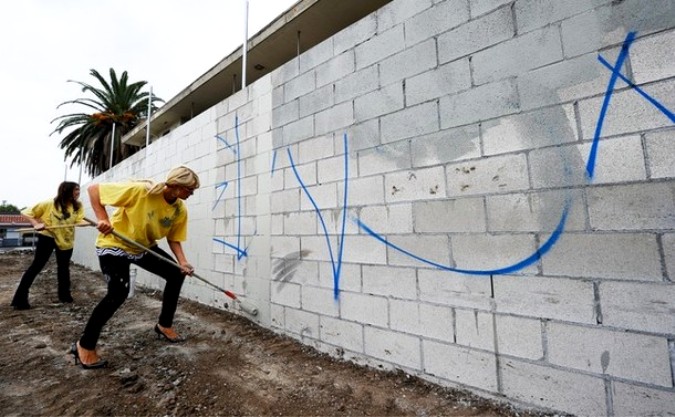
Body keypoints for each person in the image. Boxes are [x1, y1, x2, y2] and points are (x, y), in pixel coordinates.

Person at [70, 165, 200, 369]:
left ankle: (164, 325)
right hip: (115, 244)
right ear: (175, 185)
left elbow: (174, 239)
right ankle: (84, 345)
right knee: (118, 293)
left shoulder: (179, 209)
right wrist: (103, 218)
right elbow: (94, 190)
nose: (192, 193)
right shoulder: (141, 192)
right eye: (189, 189)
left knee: (176, 274)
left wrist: (183, 262)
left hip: (142, 246)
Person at [11, 181, 84, 310]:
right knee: (36, 266)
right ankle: (20, 299)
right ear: (66, 191)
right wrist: (35, 224)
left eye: (78, 190)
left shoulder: (77, 206)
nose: (78, 193)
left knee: (64, 268)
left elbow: (79, 220)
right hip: (48, 236)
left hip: (66, 239)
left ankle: (65, 296)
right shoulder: (49, 203)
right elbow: (25, 212)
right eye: (75, 190)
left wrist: (94, 223)